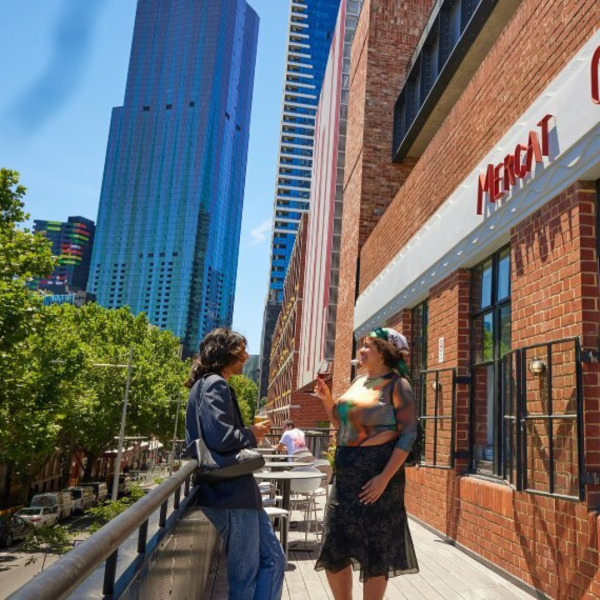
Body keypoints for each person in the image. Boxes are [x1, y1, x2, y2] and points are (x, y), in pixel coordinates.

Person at [314, 327, 419, 600]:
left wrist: (384, 478)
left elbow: (409, 433)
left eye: (367, 346)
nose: (360, 351)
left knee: (375, 547)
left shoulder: (398, 385)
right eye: (361, 346)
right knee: (335, 545)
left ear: (384, 352)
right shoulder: (358, 381)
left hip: (378, 474)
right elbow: (340, 424)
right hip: (346, 474)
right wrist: (327, 401)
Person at [185, 328, 285, 600]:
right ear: (224, 353)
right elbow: (222, 438)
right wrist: (254, 432)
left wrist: (251, 431)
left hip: (239, 494)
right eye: (240, 349)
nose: (245, 355)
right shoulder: (215, 384)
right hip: (230, 495)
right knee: (245, 577)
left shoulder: (207, 384)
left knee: (274, 559)